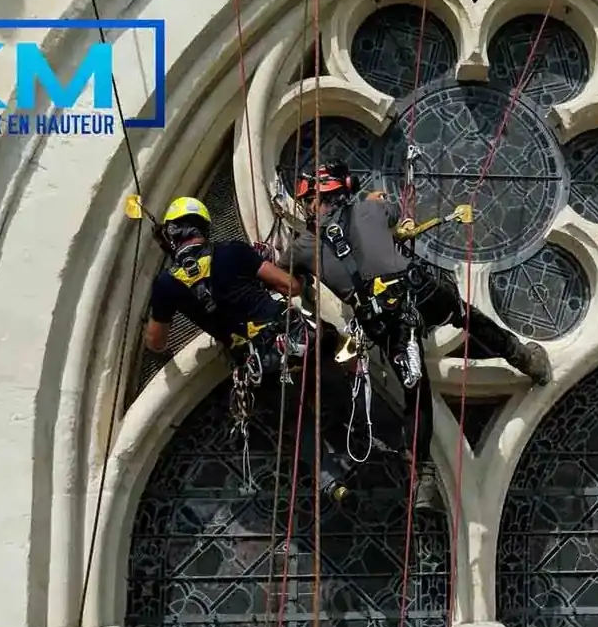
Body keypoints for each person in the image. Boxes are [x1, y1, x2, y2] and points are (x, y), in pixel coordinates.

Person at [277, 162, 552, 513]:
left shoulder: (303, 245)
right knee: (465, 315)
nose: (307, 207)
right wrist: (378, 200)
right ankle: (524, 358)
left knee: (415, 392)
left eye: (310, 200)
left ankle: (423, 479)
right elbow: (393, 213)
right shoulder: (371, 207)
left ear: (321, 198)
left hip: (382, 319)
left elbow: (284, 275)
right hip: (417, 292)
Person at [143, 195, 376, 501]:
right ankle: (363, 418)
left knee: (293, 419)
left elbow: (156, 342)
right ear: (202, 229)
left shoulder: (165, 285)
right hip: (295, 336)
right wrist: (258, 273)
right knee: (342, 347)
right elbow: (290, 286)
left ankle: (330, 481)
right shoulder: (232, 252)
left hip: (257, 366)